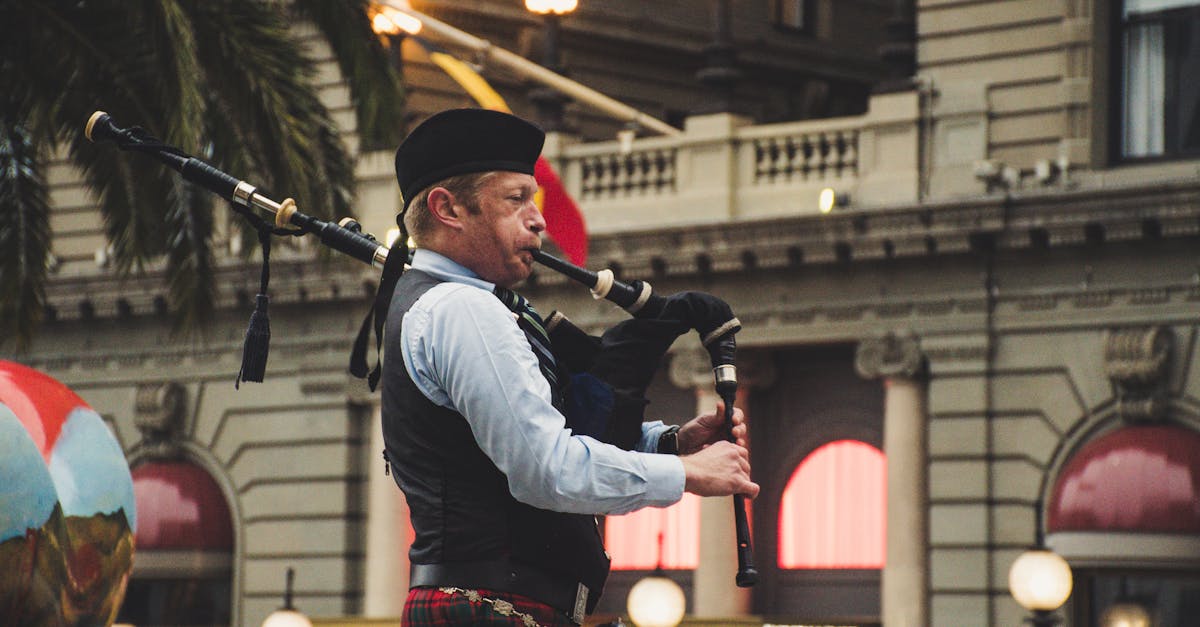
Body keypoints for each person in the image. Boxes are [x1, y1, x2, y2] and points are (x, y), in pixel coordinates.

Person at [381, 108, 758, 627]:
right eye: (516, 199)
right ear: (448, 208)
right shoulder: (462, 309)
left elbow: (528, 439)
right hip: (491, 608)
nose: (538, 219)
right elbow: (544, 468)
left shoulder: (445, 303)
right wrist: (687, 474)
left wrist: (666, 443)